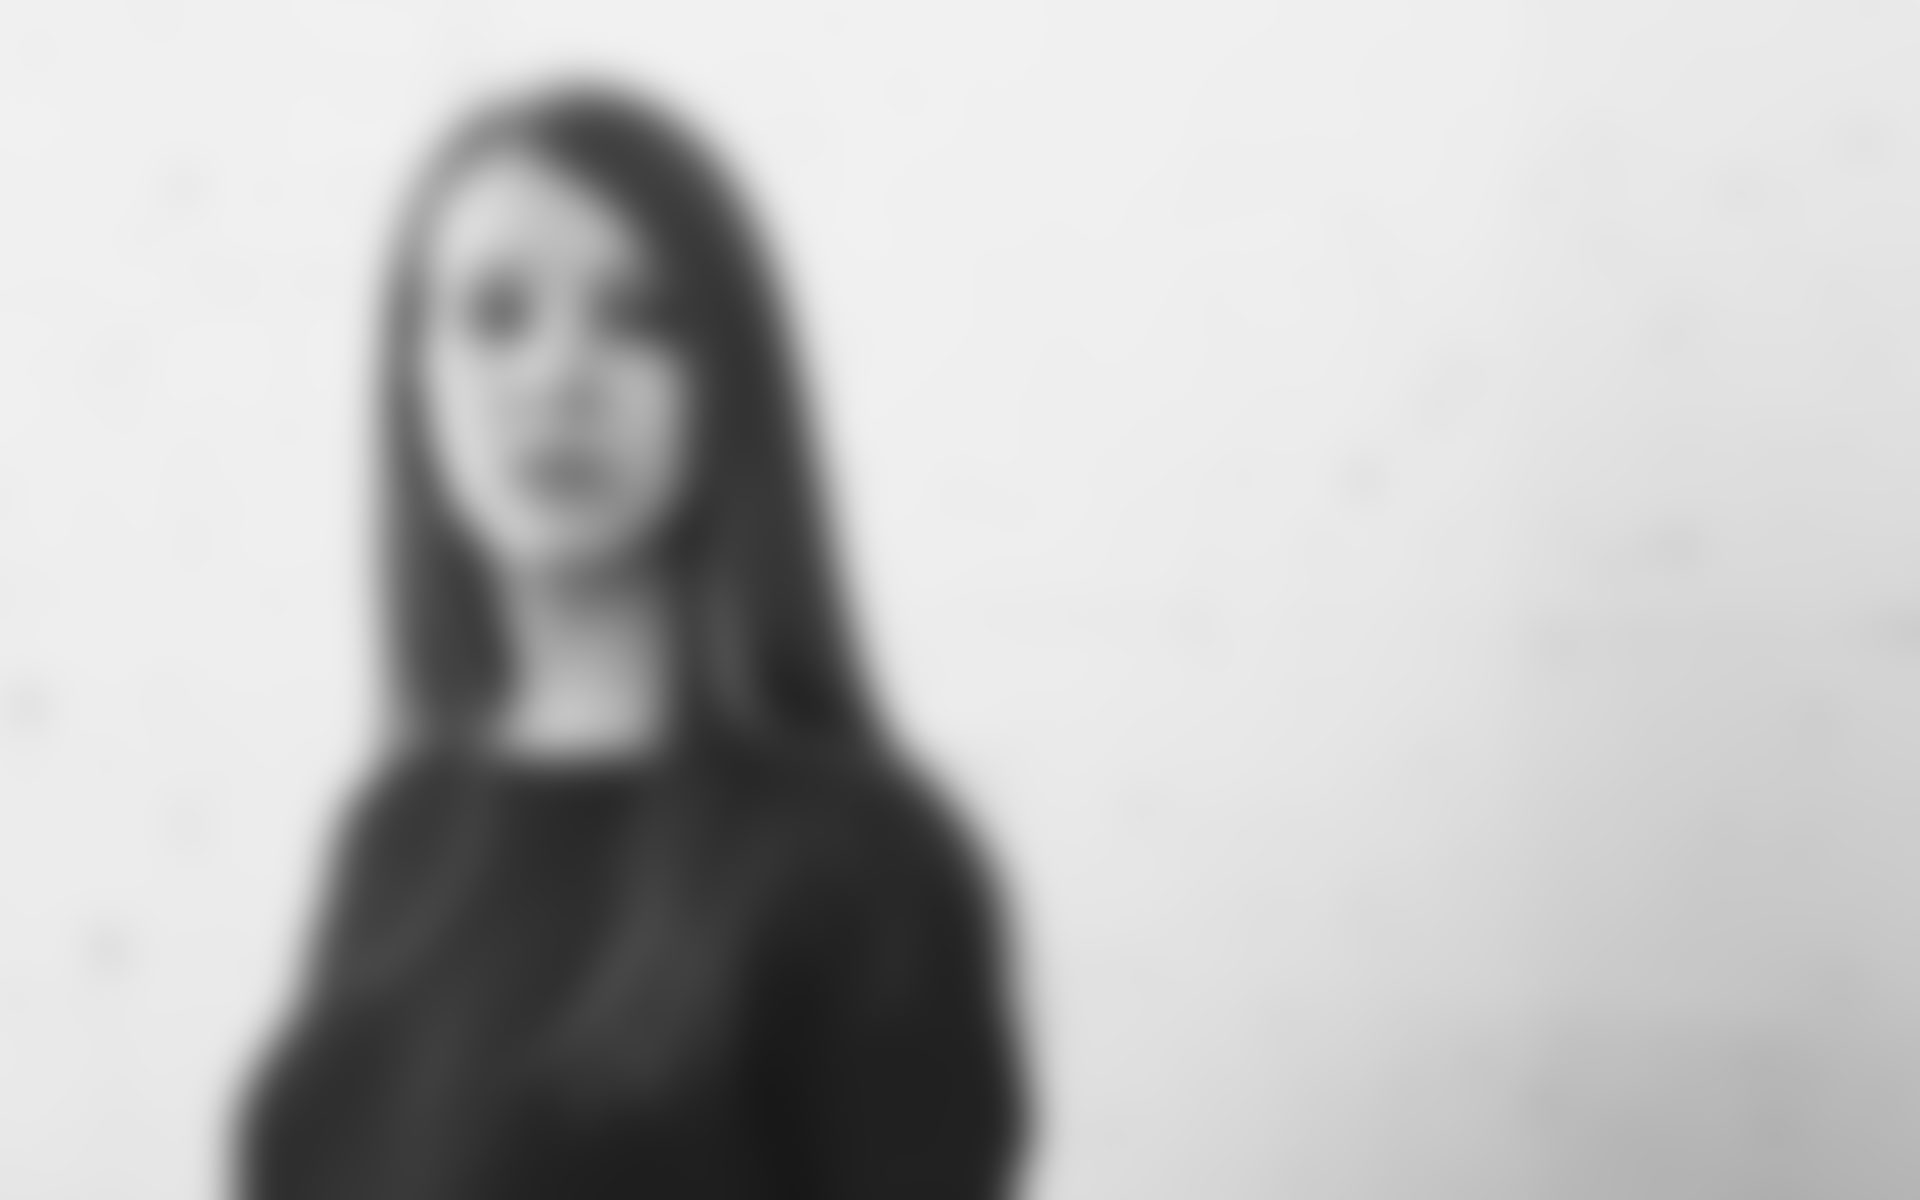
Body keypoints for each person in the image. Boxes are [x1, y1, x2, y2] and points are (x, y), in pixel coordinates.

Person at [230, 77, 1027, 1200]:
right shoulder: (398, 829)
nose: (558, 374)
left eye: (644, 317)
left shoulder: (863, 867)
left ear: (730, 388)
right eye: (494, 315)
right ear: (412, 383)